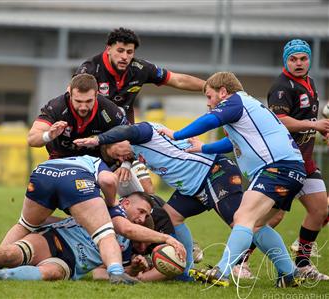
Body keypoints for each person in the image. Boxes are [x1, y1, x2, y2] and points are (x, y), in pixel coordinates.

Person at [159, 72, 307, 288]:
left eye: (209, 97)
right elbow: (233, 144)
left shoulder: (235, 101)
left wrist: (176, 134)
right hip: (291, 169)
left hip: (277, 169)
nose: (209, 104)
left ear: (223, 92)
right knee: (256, 225)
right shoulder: (247, 107)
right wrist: (204, 148)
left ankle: (222, 272)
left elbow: (210, 120)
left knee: (243, 217)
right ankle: (288, 274)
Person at [74, 121, 244, 282]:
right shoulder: (135, 147)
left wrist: (98, 139)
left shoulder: (143, 130)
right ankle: (186, 270)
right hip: (194, 184)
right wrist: (125, 163)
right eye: (117, 158)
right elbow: (130, 150)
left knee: (244, 223)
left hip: (213, 171)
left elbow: (127, 131)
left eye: (118, 154)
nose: (120, 158)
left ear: (120, 140)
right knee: (172, 215)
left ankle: (226, 270)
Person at [0, 192, 185, 283]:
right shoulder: (108, 210)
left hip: (70, 264)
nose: (140, 219)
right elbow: (125, 228)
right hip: (55, 240)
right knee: (8, 254)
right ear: (126, 203)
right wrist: (168, 239)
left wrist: (130, 269)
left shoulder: (127, 251)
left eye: (146, 216)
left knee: (48, 275)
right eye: (140, 212)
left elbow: (101, 274)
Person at [265, 39, 329, 281]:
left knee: (320, 210)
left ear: (309, 60)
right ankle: (240, 262)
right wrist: (313, 124)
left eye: (303, 58)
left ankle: (302, 264)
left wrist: (321, 131)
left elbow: (306, 121)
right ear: (286, 61)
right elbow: (279, 119)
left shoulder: (310, 83)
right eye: (293, 59)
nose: (299, 63)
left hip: (306, 162)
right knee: (272, 217)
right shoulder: (282, 87)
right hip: (284, 162)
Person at [75, 27, 205, 124]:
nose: (125, 57)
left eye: (129, 52)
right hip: (93, 130)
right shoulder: (90, 68)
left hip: (126, 131)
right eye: (120, 51)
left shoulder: (141, 68)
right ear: (108, 49)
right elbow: (72, 97)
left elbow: (178, 80)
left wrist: (209, 86)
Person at [27, 73, 128, 159]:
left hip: (95, 162)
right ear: (70, 95)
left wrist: (124, 165)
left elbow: (130, 138)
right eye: (78, 101)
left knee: (109, 179)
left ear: (96, 95)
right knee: (36, 181)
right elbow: (32, 139)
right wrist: (49, 135)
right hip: (61, 160)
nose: (83, 107)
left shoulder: (108, 109)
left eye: (88, 101)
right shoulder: (56, 107)